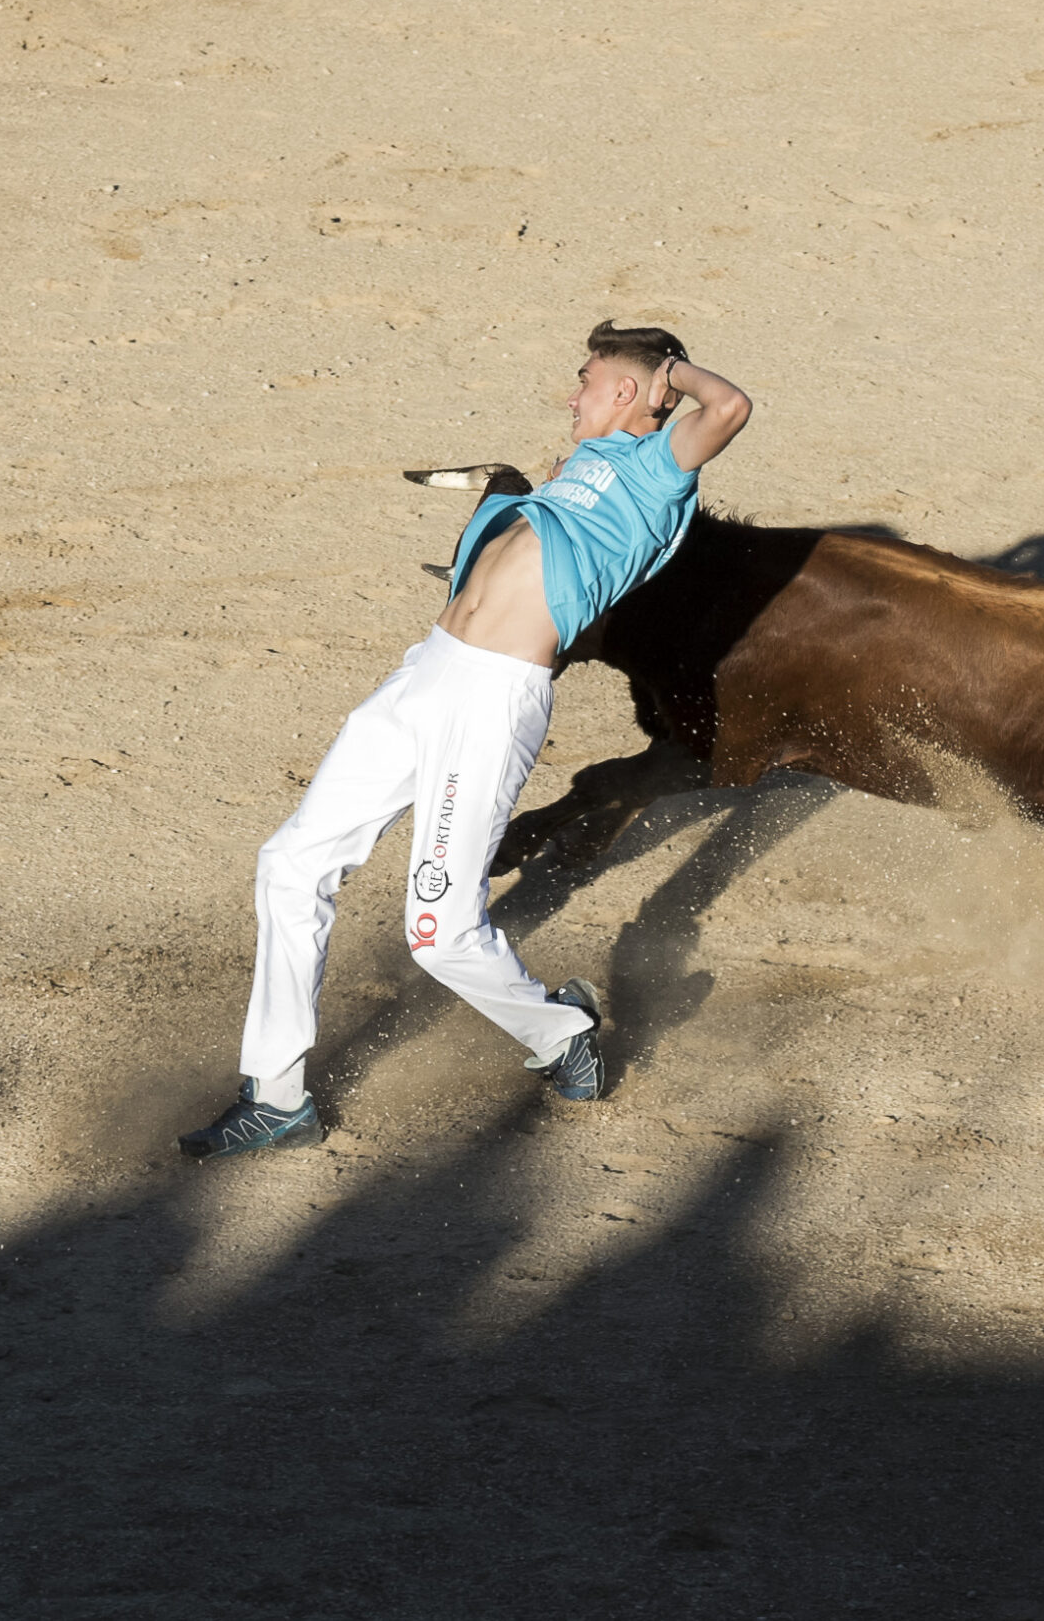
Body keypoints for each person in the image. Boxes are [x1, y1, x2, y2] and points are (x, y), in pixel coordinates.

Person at [180, 322, 753, 1158]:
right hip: (426, 673)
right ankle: (276, 1096)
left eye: (587, 379)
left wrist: (669, 371)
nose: (573, 393)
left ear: (628, 391)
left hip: (491, 700)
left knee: (439, 929)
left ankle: (562, 1034)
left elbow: (730, 403)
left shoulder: (658, 469)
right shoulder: (584, 463)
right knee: (291, 862)